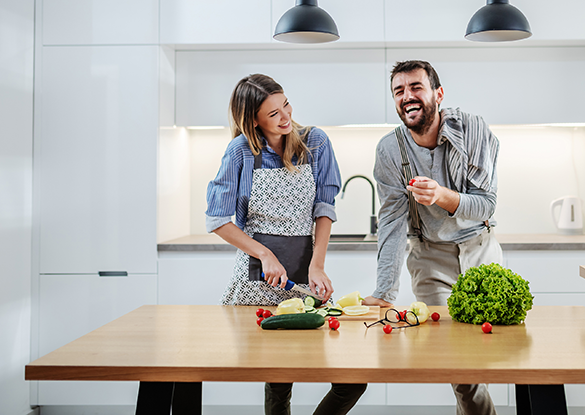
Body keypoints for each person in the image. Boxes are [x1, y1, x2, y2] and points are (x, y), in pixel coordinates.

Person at [205, 74, 366, 415]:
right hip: (256, 280)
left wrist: (317, 264)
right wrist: (264, 254)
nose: (285, 117)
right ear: (254, 120)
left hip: (304, 270)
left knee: (351, 378)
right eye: (273, 113)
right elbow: (217, 219)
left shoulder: (315, 143)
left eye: (286, 105)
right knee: (278, 377)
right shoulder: (241, 152)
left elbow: (324, 208)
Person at [361, 60, 502, 415]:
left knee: (487, 353)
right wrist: (384, 291)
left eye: (416, 88)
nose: (407, 97)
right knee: (460, 363)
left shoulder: (473, 130)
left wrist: (441, 195)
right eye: (399, 91)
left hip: (480, 250)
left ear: (438, 94)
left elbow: (485, 206)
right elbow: (391, 220)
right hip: (430, 256)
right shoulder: (390, 151)